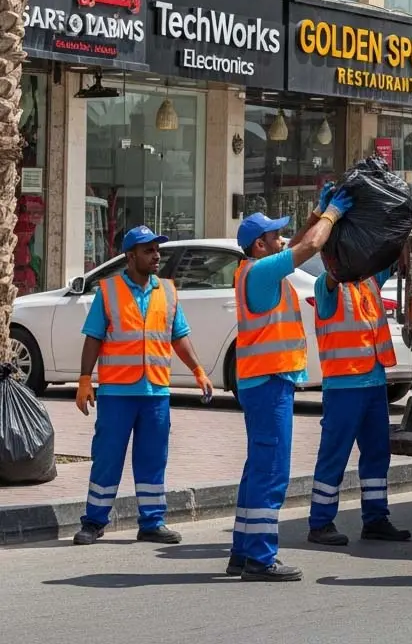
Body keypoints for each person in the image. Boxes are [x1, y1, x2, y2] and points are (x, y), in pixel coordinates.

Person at [227, 185, 351, 582]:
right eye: (274, 235)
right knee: (272, 471)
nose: (281, 238)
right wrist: (332, 213)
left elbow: (297, 242)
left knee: (256, 467)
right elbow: (308, 247)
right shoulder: (262, 272)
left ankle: (242, 551)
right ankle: (262, 558)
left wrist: (317, 213)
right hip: (269, 382)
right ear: (260, 246)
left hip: (261, 381)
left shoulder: (255, 267)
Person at [73, 225, 214, 546]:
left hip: (155, 393)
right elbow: (93, 337)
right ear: (130, 255)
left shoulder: (167, 290)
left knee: (153, 459)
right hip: (117, 394)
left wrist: (198, 370)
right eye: (148, 250)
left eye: (157, 249)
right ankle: (94, 522)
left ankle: (152, 522)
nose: (156, 255)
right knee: (107, 459)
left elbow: (179, 336)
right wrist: (84, 379)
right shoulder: (108, 292)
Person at [306, 217, 411, 547]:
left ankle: (376, 518)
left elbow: (390, 257)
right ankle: (320, 522)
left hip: (373, 383)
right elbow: (336, 274)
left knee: (378, 453)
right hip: (344, 386)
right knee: (334, 454)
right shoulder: (326, 286)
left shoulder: (368, 282)